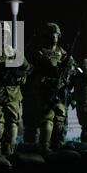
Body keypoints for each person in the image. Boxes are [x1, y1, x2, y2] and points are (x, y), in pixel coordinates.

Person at [25, 22, 74, 155]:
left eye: (57, 34)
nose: (55, 37)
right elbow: (37, 69)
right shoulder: (39, 53)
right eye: (53, 34)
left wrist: (69, 72)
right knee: (47, 119)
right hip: (45, 91)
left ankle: (56, 145)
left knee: (60, 119)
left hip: (60, 91)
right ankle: (44, 147)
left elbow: (73, 68)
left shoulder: (63, 53)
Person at [0, 22, 31, 157]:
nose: (3, 36)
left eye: (5, 33)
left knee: (12, 127)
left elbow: (27, 70)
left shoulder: (15, 52)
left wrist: (18, 77)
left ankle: (9, 154)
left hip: (13, 95)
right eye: (0, 33)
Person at [72, 59, 87, 144]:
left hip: (82, 106)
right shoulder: (86, 79)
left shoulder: (77, 79)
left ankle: (85, 145)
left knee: (86, 128)